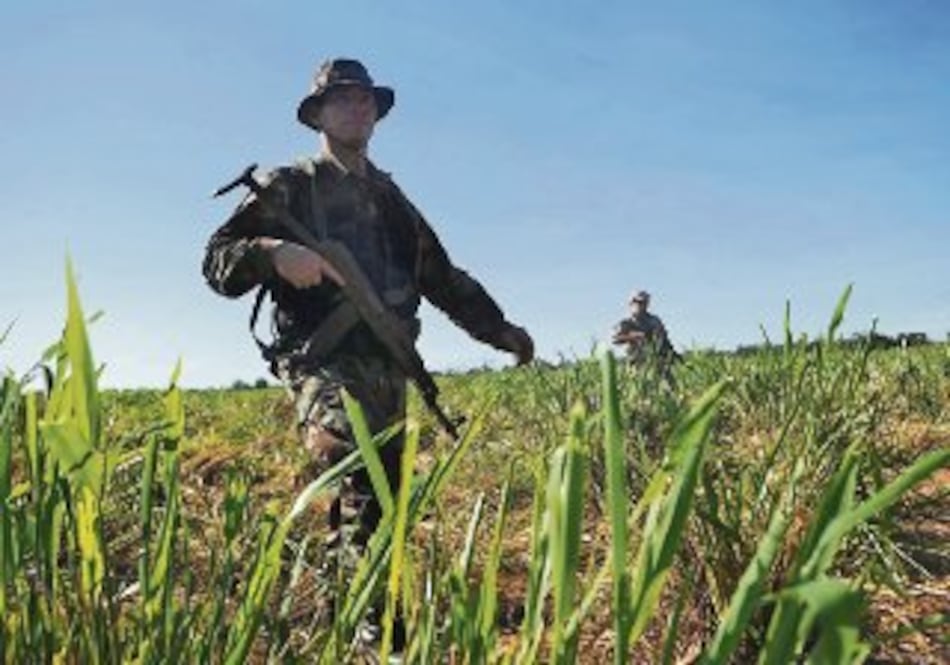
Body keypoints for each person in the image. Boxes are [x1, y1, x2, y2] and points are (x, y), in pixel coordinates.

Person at [202, 58, 534, 645]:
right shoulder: (290, 184)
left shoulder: (393, 199)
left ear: (376, 114)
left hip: (389, 368)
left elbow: (443, 278)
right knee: (353, 466)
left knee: (386, 502)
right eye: (343, 99)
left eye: (365, 101)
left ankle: (368, 612)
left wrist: (502, 332)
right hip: (323, 364)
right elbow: (218, 261)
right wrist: (274, 253)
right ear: (318, 116)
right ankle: (369, 630)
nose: (357, 108)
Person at [612, 290, 675, 365]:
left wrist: (673, 356)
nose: (640, 305)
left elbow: (665, 340)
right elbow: (615, 339)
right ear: (631, 303)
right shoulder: (626, 323)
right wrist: (632, 337)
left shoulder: (655, 321)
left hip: (658, 362)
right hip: (636, 363)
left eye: (644, 302)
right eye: (637, 302)